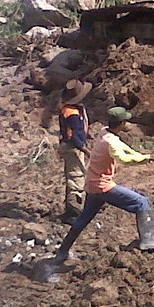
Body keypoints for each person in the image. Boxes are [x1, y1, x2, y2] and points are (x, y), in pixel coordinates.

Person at [52, 106, 154, 265]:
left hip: (92, 184)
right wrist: (147, 158)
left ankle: (62, 252)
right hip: (102, 186)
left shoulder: (105, 132)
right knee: (142, 202)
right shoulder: (110, 142)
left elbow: (126, 149)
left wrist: (147, 157)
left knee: (83, 219)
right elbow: (123, 158)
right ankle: (148, 241)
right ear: (121, 123)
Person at [58, 79, 92, 224]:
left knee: (75, 175)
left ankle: (72, 209)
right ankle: (74, 212)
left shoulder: (73, 109)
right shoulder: (71, 113)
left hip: (73, 145)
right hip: (73, 148)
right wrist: (84, 149)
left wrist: (87, 134)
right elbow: (73, 134)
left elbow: (78, 129)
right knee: (76, 177)